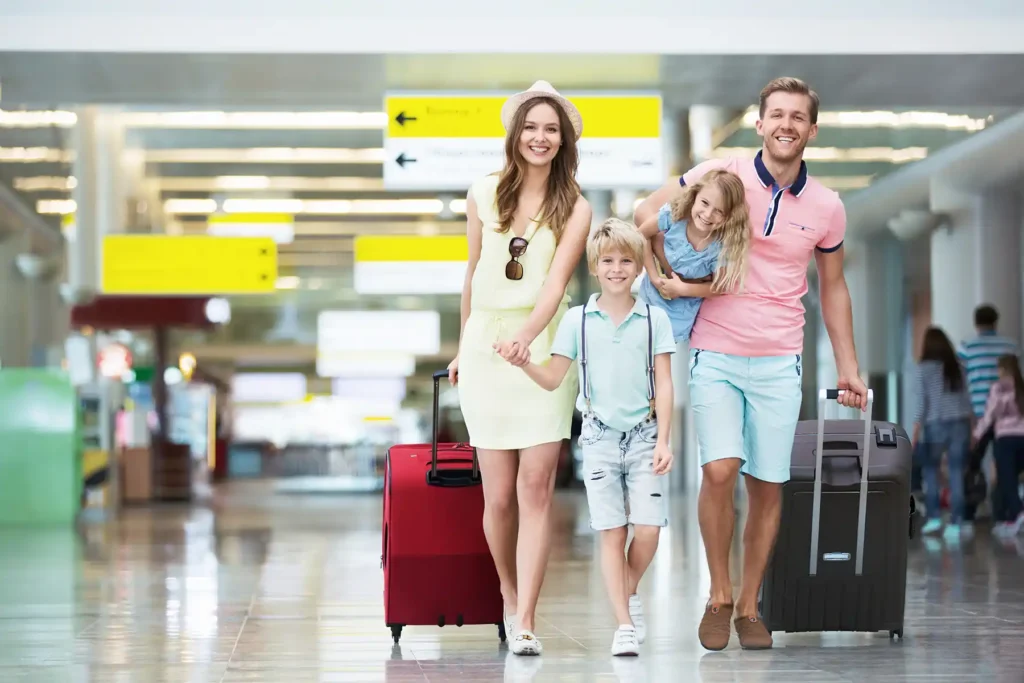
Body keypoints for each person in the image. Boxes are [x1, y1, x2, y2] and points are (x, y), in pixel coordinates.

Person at [634, 76, 868, 651]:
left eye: (798, 117)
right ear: (759, 123)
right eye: (776, 115)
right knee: (719, 470)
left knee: (766, 484)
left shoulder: (827, 208)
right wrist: (674, 277)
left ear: (812, 130)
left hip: (779, 357)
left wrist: (848, 366)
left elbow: (833, 288)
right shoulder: (723, 172)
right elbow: (647, 212)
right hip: (714, 348)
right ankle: (717, 595)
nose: (786, 124)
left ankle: (748, 605)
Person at [447, 80, 592, 656]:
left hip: (541, 350)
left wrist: (526, 339)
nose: (539, 137)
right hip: (485, 348)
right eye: (531, 127)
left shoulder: (576, 207)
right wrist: (465, 345)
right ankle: (508, 592)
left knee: (536, 489)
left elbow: (555, 285)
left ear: (564, 141)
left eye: (551, 129)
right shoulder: (483, 191)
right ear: (515, 135)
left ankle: (527, 617)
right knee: (498, 496)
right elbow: (472, 273)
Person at [504, 218, 676, 656]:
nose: (616, 268)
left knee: (650, 530)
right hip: (599, 439)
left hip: (644, 436)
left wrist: (665, 440)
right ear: (595, 268)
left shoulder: (655, 319)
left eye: (625, 260)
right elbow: (553, 377)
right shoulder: (578, 321)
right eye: (607, 261)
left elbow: (666, 383)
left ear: (638, 266)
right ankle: (623, 624)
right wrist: (524, 361)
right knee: (612, 532)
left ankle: (626, 589)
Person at [636, 168, 751, 342]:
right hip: (648, 301)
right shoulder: (674, 215)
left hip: (680, 317)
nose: (707, 214)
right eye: (704, 203)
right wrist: (654, 276)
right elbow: (641, 234)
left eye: (719, 211)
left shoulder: (722, 246)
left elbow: (720, 287)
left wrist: (683, 288)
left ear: (730, 216)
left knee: (663, 358)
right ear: (695, 195)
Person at [957, 304, 1019, 521]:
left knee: (971, 465)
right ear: (996, 322)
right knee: (1005, 466)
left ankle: (968, 512)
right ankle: (1003, 513)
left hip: (980, 415)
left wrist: (970, 418)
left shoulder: (967, 347)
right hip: (1008, 417)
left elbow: (961, 383)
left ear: (976, 323)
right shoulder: (1010, 345)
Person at [912, 326, 973, 539]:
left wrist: (915, 432)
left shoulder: (923, 368)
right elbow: (967, 400)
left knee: (931, 473)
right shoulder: (958, 366)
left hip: (935, 423)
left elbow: (921, 404)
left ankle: (935, 519)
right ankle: (957, 522)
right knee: (956, 472)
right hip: (960, 423)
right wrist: (973, 429)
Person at [973, 354, 1024, 536]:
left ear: (1002, 369)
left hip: (1006, 440)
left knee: (1007, 478)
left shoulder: (999, 388)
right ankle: (1011, 517)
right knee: (1013, 478)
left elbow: (990, 416)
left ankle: (1017, 514)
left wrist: (977, 435)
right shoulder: (1021, 387)